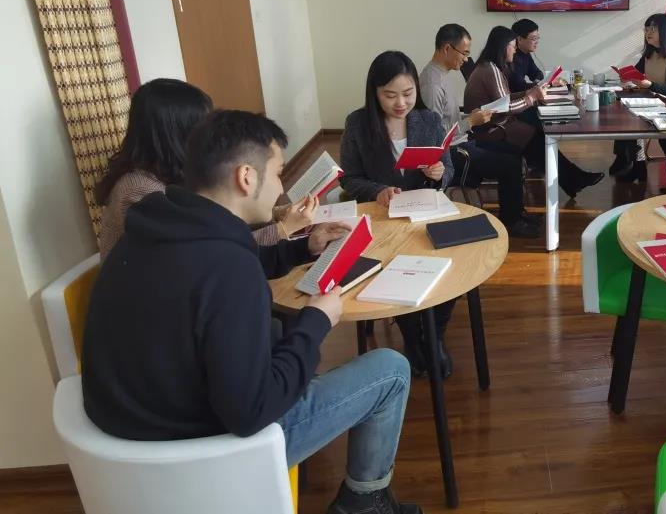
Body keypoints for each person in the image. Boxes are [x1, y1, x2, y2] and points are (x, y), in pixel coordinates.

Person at [81, 110, 423, 514]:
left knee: (278, 336)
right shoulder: (228, 269)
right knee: (391, 371)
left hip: (125, 446)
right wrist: (316, 322)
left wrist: (302, 248)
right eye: (278, 174)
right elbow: (250, 413)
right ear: (246, 177)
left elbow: (214, 271)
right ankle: (364, 503)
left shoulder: (153, 230)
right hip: (203, 456)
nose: (280, 188)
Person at [95, 78, 315, 258]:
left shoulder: (169, 174)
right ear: (178, 133)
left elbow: (217, 223)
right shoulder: (140, 191)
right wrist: (282, 229)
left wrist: (278, 215)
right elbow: (206, 251)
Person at [340, 51, 458, 378]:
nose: (401, 103)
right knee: (398, 271)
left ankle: (434, 336)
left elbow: (448, 168)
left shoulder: (428, 120)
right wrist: (377, 190)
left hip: (426, 213)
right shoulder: (358, 124)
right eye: (390, 95)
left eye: (408, 93)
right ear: (374, 92)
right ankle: (412, 338)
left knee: (453, 266)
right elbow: (349, 178)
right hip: (384, 218)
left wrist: (439, 173)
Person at [419, 23, 540, 239]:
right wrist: (470, 122)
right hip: (451, 154)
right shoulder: (432, 85)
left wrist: (469, 117)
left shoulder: (442, 75)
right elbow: (434, 138)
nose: (466, 59)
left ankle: (516, 213)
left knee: (515, 152)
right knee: (510, 164)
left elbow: (446, 120)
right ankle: (511, 221)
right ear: (447, 49)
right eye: (464, 53)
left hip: (462, 141)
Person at [463, 26, 604, 198]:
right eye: (512, 46)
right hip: (490, 132)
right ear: (503, 47)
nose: (515, 50)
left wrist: (529, 93)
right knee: (538, 138)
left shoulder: (489, 66)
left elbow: (504, 99)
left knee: (539, 137)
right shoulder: (490, 70)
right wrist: (530, 98)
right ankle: (573, 179)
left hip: (496, 126)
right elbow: (505, 107)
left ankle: (572, 179)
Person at [611, 13, 666, 185]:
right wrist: (627, 78)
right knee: (624, 119)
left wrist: (649, 85)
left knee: (634, 123)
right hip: (650, 102)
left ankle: (629, 163)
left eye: (653, 28)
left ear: (665, 30)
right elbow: (636, 73)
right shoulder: (650, 53)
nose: (648, 33)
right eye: (646, 29)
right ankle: (636, 165)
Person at [507, 18, 545, 92]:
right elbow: (519, 87)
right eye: (534, 38)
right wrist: (539, 85)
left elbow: (537, 73)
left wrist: (537, 82)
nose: (537, 42)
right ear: (520, 39)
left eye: (537, 38)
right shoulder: (511, 57)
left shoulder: (525, 53)